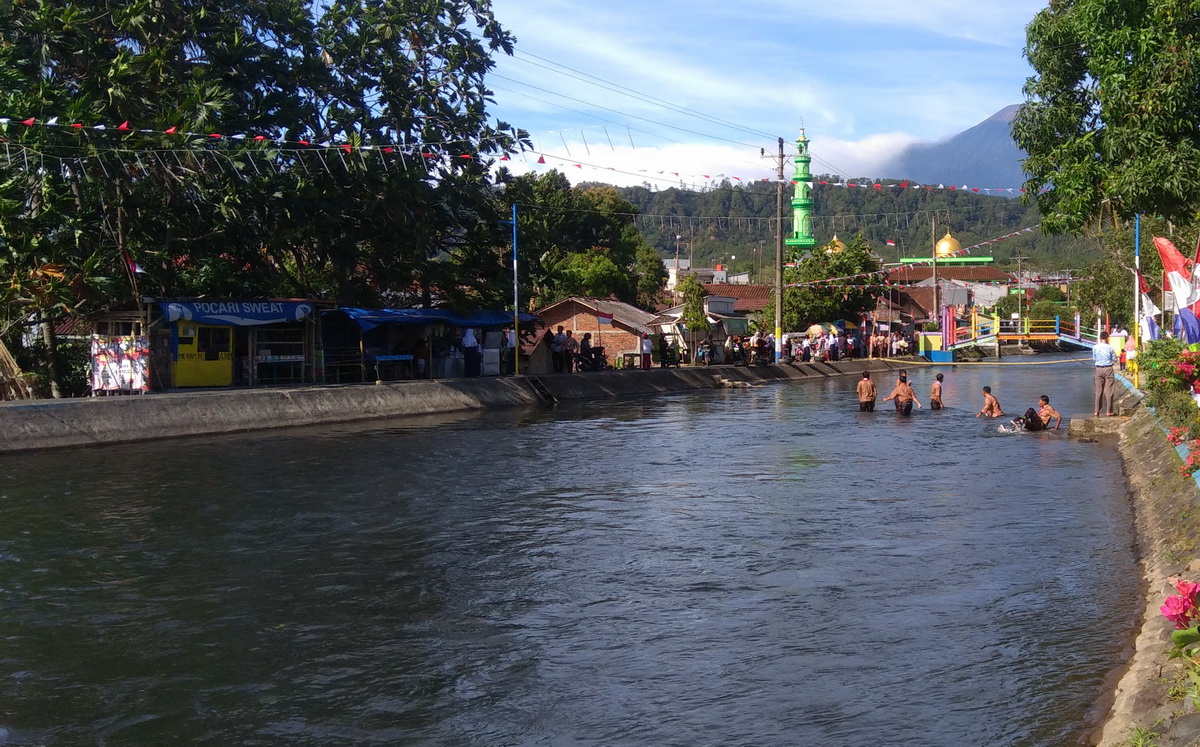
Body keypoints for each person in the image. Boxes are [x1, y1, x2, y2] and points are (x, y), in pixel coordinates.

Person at [1093, 330, 1117, 417]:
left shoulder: (1095, 347)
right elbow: (1114, 358)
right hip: (1108, 368)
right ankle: (1108, 411)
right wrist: (1113, 361)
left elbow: (1094, 359)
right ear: (1107, 338)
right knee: (1109, 391)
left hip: (1098, 369)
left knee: (1098, 391)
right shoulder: (1110, 347)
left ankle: (1096, 411)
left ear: (1100, 338)